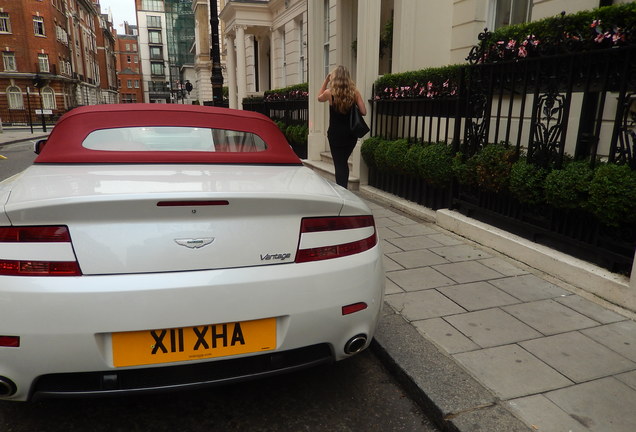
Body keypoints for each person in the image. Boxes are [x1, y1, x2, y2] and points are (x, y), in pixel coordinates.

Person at [317, 65, 367, 189]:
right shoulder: (354, 92)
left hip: (335, 134)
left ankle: (342, 190)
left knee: (339, 163)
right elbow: (364, 111)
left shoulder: (330, 93)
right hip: (350, 135)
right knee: (343, 162)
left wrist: (326, 80)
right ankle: (344, 189)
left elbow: (319, 98)